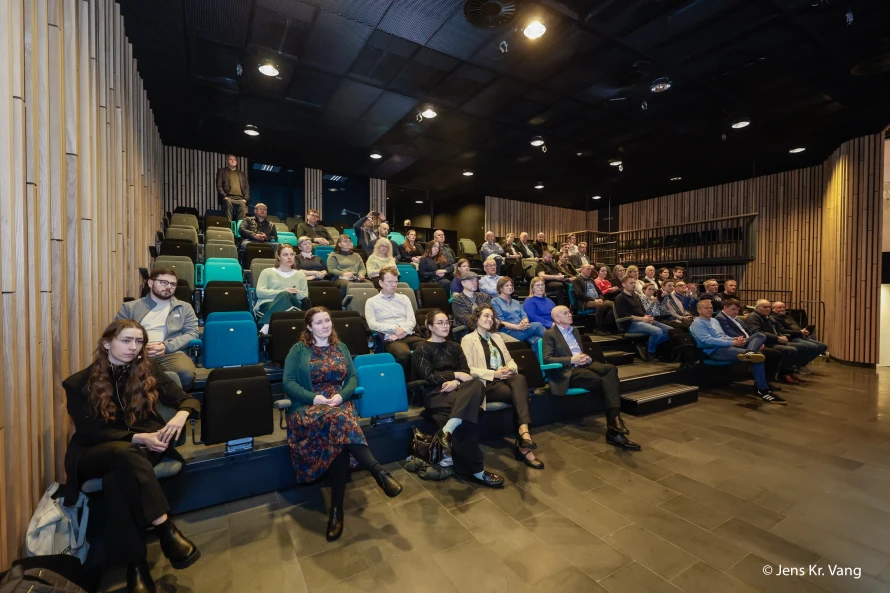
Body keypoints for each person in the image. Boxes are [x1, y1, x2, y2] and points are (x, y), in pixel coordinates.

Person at [63, 320, 201, 592]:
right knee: (123, 452)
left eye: (139, 342)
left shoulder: (149, 370)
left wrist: (181, 415)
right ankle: (164, 528)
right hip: (96, 451)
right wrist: (138, 438)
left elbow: (187, 399)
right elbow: (91, 433)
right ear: (107, 343)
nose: (133, 347)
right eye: (126, 340)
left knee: (117, 480)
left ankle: (136, 566)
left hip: (142, 449)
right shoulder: (78, 383)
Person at [283, 307, 402, 542]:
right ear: (309, 327)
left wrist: (342, 395)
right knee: (339, 421)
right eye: (319, 322)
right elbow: (288, 382)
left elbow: (353, 377)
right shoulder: (298, 350)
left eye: (327, 320)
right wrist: (314, 398)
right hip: (308, 408)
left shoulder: (341, 347)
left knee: (338, 432)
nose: (325, 325)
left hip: (338, 404)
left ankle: (336, 511)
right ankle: (378, 472)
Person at [412, 311, 504, 488]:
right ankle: (477, 471)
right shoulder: (421, 349)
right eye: (440, 323)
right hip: (436, 393)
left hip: (457, 391)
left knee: (477, 384)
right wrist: (455, 375)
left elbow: (466, 373)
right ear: (430, 326)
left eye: (447, 322)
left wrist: (455, 382)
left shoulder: (454, 346)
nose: (445, 326)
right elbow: (428, 377)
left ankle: (448, 429)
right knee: (468, 418)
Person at [543, 307, 640, 450]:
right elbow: (547, 359)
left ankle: (614, 422)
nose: (570, 314)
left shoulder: (575, 331)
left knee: (610, 369)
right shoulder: (550, 334)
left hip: (584, 364)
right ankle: (614, 427)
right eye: (565, 313)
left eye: (569, 312)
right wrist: (571, 359)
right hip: (568, 370)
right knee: (606, 382)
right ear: (557, 318)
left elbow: (579, 351)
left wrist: (587, 358)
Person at [461, 305, 542, 469]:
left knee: (519, 378)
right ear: (476, 318)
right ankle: (524, 443)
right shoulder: (468, 339)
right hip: (487, 383)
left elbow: (509, 360)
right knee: (521, 396)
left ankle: (524, 432)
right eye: (486, 316)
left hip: (505, 378)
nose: (489, 319)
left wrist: (509, 369)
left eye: (492, 317)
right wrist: (495, 374)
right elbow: (469, 369)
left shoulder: (497, 337)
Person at [114, 268, 198, 390]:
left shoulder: (184, 308)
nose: (168, 287)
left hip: (172, 353)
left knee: (185, 374)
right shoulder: (130, 307)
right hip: (138, 353)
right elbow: (116, 333)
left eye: (173, 284)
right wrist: (139, 347)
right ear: (150, 283)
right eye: (163, 282)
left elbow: (192, 333)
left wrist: (166, 346)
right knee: (130, 375)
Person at [690, 300, 786, 404]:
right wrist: (732, 342)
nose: (709, 310)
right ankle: (763, 390)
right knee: (758, 357)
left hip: (729, 346)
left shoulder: (714, 321)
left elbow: (723, 336)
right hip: (715, 351)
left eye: (711, 308)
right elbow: (707, 341)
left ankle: (749, 352)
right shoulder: (697, 323)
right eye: (706, 308)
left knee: (760, 335)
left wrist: (735, 339)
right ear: (699, 310)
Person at [365, 267, 426, 379]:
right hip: (389, 338)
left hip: (408, 335)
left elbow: (411, 320)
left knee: (428, 348)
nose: (394, 285)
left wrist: (400, 332)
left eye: (396, 282)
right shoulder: (371, 302)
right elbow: (372, 324)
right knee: (404, 355)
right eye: (390, 282)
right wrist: (394, 328)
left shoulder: (404, 298)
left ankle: (426, 381)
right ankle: (408, 383)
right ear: (381, 283)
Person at [717, 298, 787, 388]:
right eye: (733, 309)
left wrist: (756, 342)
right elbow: (730, 333)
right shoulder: (721, 318)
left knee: (776, 354)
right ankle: (751, 355)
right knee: (761, 351)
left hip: (748, 342)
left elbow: (749, 332)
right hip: (738, 343)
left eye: (737, 310)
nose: (736, 312)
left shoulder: (736, 318)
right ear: (725, 308)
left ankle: (767, 381)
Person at [744, 300, 804, 384]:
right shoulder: (753, 317)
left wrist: (781, 336)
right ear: (757, 307)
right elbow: (757, 333)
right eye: (765, 307)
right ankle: (783, 374)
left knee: (801, 347)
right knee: (790, 350)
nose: (768, 309)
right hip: (764, 343)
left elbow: (776, 330)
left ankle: (789, 371)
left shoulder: (767, 317)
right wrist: (777, 338)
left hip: (773, 340)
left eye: (769, 307)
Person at [614, 275, 671, 361]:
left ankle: (646, 345)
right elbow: (624, 316)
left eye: (634, 283)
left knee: (671, 331)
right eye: (631, 283)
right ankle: (651, 352)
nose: (634, 284)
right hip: (631, 323)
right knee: (658, 331)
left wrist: (647, 317)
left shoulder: (636, 296)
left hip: (643, 320)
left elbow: (643, 311)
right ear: (624, 284)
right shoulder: (620, 298)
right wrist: (642, 319)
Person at [254, 243, 309, 331]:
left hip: (293, 306)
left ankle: (266, 325)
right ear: (279, 257)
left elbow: (305, 294)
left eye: (292, 254)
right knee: (285, 294)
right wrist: (283, 291)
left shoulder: (300, 274)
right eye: (285, 255)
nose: (289, 257)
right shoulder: (267, 272)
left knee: (286, 295)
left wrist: (295, 292)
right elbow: (260, 292)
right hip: (268, 306)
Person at [771, 301, 827, 372]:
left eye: (784, 307)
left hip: (799, 336)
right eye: (779, 307)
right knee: (813, 346)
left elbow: (795, 327)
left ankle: (800, 363)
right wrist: (800, 332)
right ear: (773, 309)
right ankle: (799, 365)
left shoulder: (786, 316)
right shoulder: (774, 318)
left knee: (823, 346)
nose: (782, 309)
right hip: (790, 337)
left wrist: (803, 331)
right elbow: (782, 331)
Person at [491, 277, 545, 347]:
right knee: (538, 325)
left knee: (537, 341)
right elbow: (500, 322)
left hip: (522, 329)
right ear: (500, 288)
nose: (510, 287)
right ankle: (556, 342)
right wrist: (518, 327)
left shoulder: (516, 302)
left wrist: (525, 322)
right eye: (507, 285)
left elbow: (524, 315)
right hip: (508, 332)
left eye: (511, 285)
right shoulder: (495, 301)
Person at [326, 234, 370, 298]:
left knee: (369, 284)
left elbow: (362, 268)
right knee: (348, 285)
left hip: (355, 278)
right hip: (340, 278)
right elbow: (331, 269)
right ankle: (344, 303)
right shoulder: (333, 255)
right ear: (339, 244)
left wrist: (361, 275)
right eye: (345, 241)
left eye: (350, 241)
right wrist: (343, 274)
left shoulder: (356, 255)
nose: (348, 243)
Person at [571, 264, 609, 330]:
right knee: (599, 305)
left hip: (597, 300)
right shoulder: (577, 280)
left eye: (590, 269)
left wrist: (601, 299)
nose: (590, 271)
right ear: (582, 269)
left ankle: (608, 325)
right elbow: (579, 294)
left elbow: (599, 292)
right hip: (585, 302)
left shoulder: (591, 280)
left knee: (611, 304)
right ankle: (598, 327)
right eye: (587, 269)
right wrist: (594, 300)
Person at [216, 153, 249, 221]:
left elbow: (246, 187)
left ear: (237, 162)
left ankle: (239, 228)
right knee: (228, 219)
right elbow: (219, 185)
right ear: (227, 161)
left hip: (241, 199)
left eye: (234, 159)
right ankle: (228, 227)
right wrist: (224, 197)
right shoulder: (222, 171)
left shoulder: (242, 173)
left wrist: (245, 199)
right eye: (230, 159)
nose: (233, 161)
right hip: (228, 198)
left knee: (242, 221)